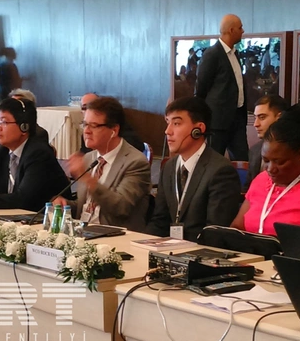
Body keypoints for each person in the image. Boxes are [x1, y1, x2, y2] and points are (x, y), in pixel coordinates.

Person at [148, 97, 243, 241]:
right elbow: (159, 221)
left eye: (176, 123)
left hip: (199, 249)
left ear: (198, 129)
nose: (168, 131)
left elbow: (215, 233)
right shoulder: (169, 166)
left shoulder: (221, 171)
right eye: (168, 122)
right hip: (169, 248)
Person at [62, 96, 151, 231]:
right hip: (84, 232)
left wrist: (88, 180)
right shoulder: (89, 158)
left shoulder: (135, 162)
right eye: (85, 124)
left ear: (114, 130)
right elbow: (86, 206)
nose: (86, 131)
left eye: (94, 126)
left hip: (116, 236)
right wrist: (64, 204)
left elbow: (121, 207)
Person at [195, 14, 249, 161]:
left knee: (243, 161)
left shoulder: (235, 54)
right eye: (240, 28)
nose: (243, 31)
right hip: (217, 123)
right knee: (213, 162)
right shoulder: (212, 54)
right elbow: (201, 89)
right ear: (231, 30)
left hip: (237, 119)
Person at [248, 96, 300, 188]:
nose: (256, 124)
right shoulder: (254, 150)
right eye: (255, 118)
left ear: (279, 117)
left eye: (262, 117)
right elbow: (248, 188)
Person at [79, 93, 144, 154]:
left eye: (94, 125)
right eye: (84, 107)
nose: (86, 131)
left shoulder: (120, 126)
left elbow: (137, 146)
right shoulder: (88, 156)